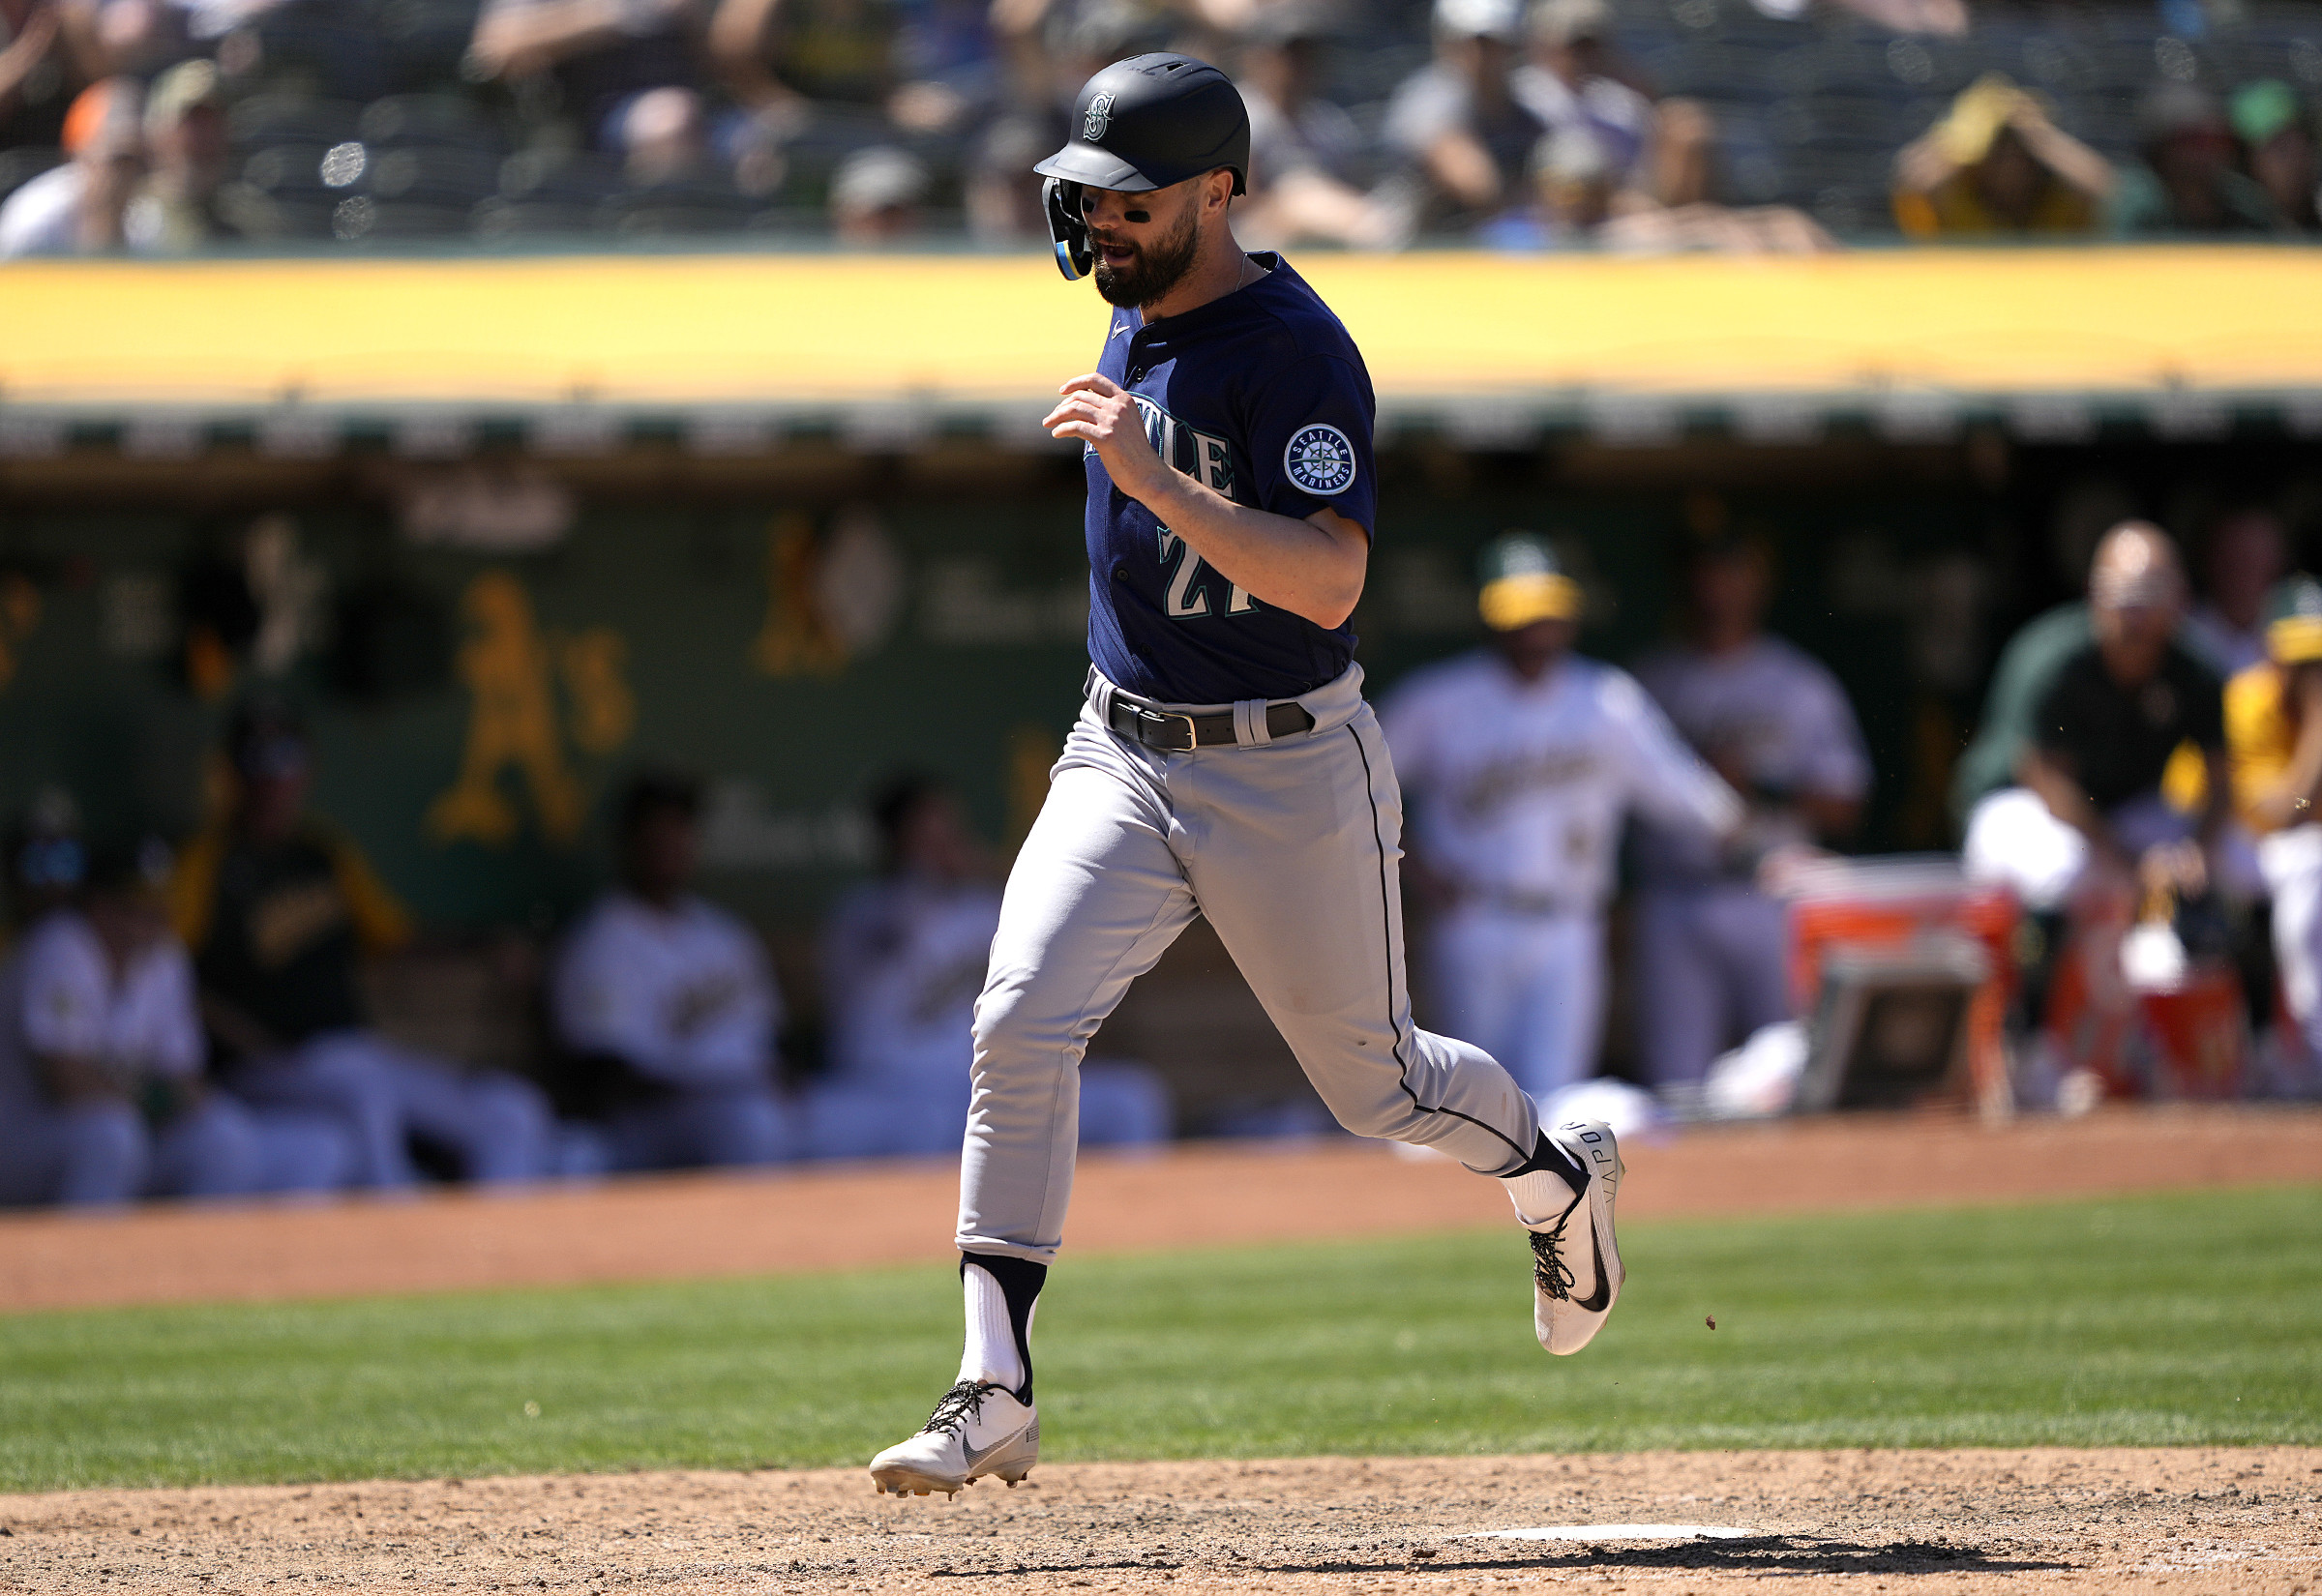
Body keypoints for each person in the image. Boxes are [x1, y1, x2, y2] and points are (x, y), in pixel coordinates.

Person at [868, 52, 1625, 1502]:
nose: (1096, 228)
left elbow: (1329, 583)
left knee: (1381, 1088)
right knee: (1018, 1020)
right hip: (1123, 745)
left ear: (1219, 191)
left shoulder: (1296, 347)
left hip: (1288, 762)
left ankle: (1556, 1172)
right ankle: (993, 1383)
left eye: (1127, 201)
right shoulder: (1134, 310)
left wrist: (1159, 480)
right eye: (1083, 200)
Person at [1383, 534, 1741, 1103]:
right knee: (1472, 1102)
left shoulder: (1606, 699)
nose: (1536, 631)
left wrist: (1758, 842)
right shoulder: (1439, 699)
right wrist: (1416, 869)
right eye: (1521, 617)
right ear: (1491, 619)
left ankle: (1550, 1195)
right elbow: (1361, 787)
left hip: (1571, 923)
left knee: (1558, 1098)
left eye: (1547, 615)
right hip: (1475, 917)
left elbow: (1691, 797)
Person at [172, 700, 555, 1189]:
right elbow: (170, 977)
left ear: (306, 770)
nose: (273, 778)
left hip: (348, 1053)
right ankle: (401, 1246)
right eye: (257, 760)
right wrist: (248, 1043)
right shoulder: (206, 863)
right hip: (262, 1069)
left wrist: (484, 943)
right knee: (364, 1094)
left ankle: (501, 1256)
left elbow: (396, 938)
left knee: (510, 1111)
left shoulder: (324, 854)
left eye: (286, 758)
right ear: (231, 773)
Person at [807, 775, 1168, 1159]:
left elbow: (1063, 917)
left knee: (1131, 1098)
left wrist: (982, 869)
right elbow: (890, 936)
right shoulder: (866, 913)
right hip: (888, 1090)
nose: (941, 843)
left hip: (981, 1083)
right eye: (926, 832)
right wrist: (926, 877)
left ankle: (1129, 1215)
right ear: (896, 838)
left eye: (947, 829)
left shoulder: (987, 908)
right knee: (919, 1128)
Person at [1629, 528, 1870, 1092]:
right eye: (1705, 576)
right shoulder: (1651, 683)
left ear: (1757, 585)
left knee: (1786, 1067)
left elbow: (1845, 804)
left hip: (1771, 894)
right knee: (1676, 1080)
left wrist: (1757, 782)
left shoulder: (1796, 683)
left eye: (1731, 574)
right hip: (1675, 894)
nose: (1716, 590)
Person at [0, 838, 351, 1207]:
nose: (148, 923)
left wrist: (167, 1098)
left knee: (222, 1136)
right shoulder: (59, 946)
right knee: (109, 1134)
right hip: (24, 1139)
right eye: (133, 907)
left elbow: (186, 1078)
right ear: (99, 906)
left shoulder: (165, 957)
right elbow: (67, 1081)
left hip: (127, 1136)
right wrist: (158, 1099)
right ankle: (80, 1261)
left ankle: (197, 1262)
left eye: (157, 907)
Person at [1963, 523, 2227, 914]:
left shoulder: (2194, 667)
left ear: (2180, 598)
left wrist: (2199, 852)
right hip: (2023, 807)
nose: (2134, 614)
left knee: (2235, 859)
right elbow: (2044, 779)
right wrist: (2129, 863)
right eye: (2123, 596)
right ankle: (2039, 970)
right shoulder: (2054, 660)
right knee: (2065, 868)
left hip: (2122, 810)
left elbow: (2221, 777)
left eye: (2150, 595)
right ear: (2094, 595)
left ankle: (2210, 966)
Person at [551, 773, 791, 1170]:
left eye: (680, 828)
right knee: (750, 1122)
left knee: (896, 1119)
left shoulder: (725, 934)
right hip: (657, 1123)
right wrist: (715, 1088)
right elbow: (601, 1073)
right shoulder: (600, 940)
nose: (669, 841)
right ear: (628, 840)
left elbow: (773, 1038)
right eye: (656, 828)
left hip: (748, 1102)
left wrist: (783, 1079)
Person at [2227, 577, 2322, 1077]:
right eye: (2301, 660)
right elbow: (2292, 809)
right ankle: (2312, 1048)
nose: (2311, 674)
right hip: (2227, 845)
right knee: (2309, 864)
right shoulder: (2248, 701)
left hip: (2289, 847)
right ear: (2272, 654)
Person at [1233, 5, 1393, 250]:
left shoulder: (1327, 121)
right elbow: (1237, 201)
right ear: (1257, 57)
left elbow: (1354, 186)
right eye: (1288, 54)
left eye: (1306, 54)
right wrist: (1301, 203)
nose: (1298, 65)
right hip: (1248, 241)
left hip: (1330, 235)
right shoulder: (1237, 115)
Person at [1380, 0, 1545, 236]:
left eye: (1494, 43)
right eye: (1474, 42)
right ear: (1447, 43)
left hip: (1481, 246)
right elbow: (1474, 182)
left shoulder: (1522, 108)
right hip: (1408, 249)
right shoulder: (1432, 94)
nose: (1482, 54)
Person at [1890, 73, 2111, 239]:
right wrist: (1965, 133)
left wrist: (2040, 136)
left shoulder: (2055, 201)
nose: (2009, 167)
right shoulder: (1958, 196)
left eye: (2018, 154)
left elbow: (2104, 187)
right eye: (1996, 155)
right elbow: (1911, 181)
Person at [2111, 82, 2277, 238]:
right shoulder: (2138, 203)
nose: (2208, 151)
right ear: (2163, 147)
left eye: (2218, 140)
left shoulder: (2243, 203)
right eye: (2195, 141)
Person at [0, 73, 139, 256]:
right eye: (114, 161)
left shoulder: (146, 223)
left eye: (132, 162)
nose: (121, 175)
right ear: (80, 157)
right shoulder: (35, 221)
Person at [2184, 506, 2290, 680]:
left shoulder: (2297, 630)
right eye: (2235, 557)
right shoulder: (2184, 638)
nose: (2244, 571)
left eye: (2254, 557)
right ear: (2211, 560)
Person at [2232, 80, 2318, 235]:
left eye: (2304, 144)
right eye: (2282, 149)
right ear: (2250, 162)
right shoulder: (2231, 238)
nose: (2297, 160)